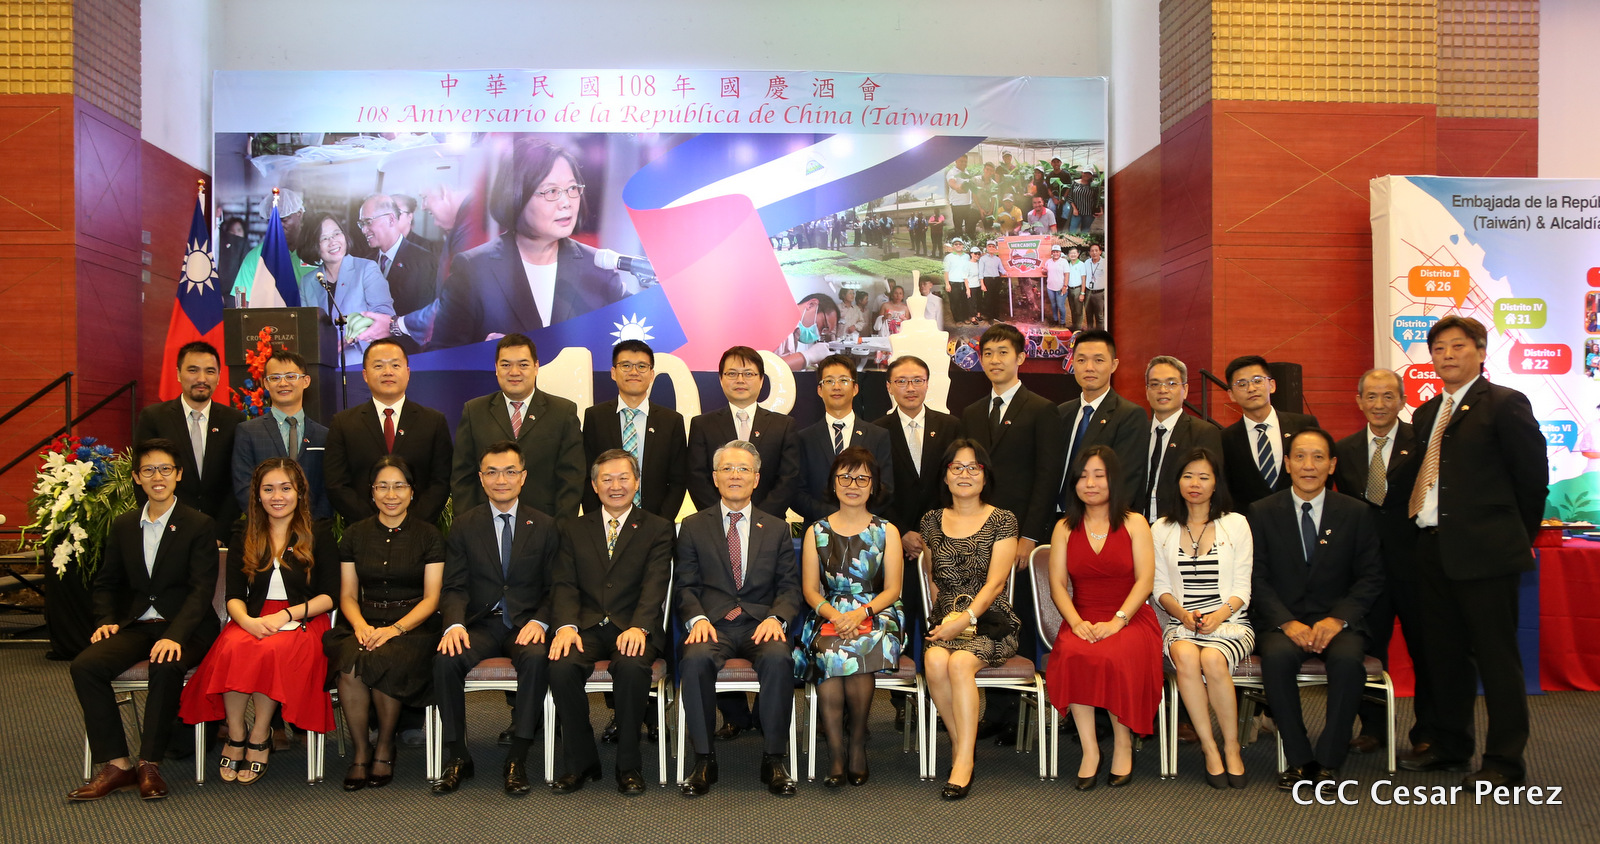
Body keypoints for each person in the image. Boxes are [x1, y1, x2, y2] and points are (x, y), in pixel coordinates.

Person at [1397, 316, 1547, 788]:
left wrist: (1512, 538)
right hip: (1432, 549)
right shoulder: (1426, 413)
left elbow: (1532, 481)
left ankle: (1504, 760)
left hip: (1487, 555)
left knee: (1497, 659)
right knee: (1444, 655)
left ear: (1481, 352)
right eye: (1438, 348)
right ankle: (1449, 746)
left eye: (1458, 346)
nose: (1447, 355)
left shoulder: (1504, 403)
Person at [68, 439, 220, 802]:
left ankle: (149, 763)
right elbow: (107, 582)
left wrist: (176, 635)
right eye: (149, 470)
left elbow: (201, 591)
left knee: (165, 665)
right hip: (138, 625)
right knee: (85, 666)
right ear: (137, 477)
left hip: (188, 628)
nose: (157, 477)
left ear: (178, 475)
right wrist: (106, 619)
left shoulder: (199, 524)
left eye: (165, 469)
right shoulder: (124, 525)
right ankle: (118, 765)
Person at [179, 459, 339, 784]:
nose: (277, 496)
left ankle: (260, 733)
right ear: (257, 494)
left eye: (285, 488)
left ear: (299, 492)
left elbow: (330, 596)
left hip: (305, 618)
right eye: (268, 489)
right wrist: (246, 622)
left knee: (271, 650)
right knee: (232, 647)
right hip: (253, 616)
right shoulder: (244, 532)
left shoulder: (319, 531)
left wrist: (286, 615)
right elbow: (234, 595)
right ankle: (237, 732)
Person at [1248, 428, 1384, 790]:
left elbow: (1371, 576)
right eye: (1300, 457)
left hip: (1338, 622)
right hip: (1283, 622)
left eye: (1318, 457)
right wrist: (1285, 622)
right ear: (1287, 464)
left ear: (1332, 465)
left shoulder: (1355, 512)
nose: (1309, 466)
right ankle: (1299, 759)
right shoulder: (1262, 512)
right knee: (1277, 659)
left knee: (1348, 661)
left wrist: (1338, 619)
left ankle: (1328, 760)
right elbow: (1255, 577)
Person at [431, 441, 560, 796]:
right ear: (481, 478)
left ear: (523, 477)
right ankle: (458, 756)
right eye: (492, 472)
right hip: (481, 623)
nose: (501, 480)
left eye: (509, 472)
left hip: (526, 624)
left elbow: (557, 587)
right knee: (445, 659)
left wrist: (541, 621)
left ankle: (517, 757)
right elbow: (454, 586)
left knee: (536, 659)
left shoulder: (545, 525)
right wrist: (454, 623)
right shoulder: (464, 525)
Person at [676, 441, 804, 798]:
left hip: (760, 624)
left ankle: (774, 758)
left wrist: (777, 618)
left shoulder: (777, 528)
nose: (735, 475)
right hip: (712, 625)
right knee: (694, 660)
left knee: (779, 659)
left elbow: (789, 587)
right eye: (727, 469)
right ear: (715, 478)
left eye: (743, 469)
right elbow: (685, 585)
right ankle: (704, 759)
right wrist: (697, 618)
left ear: (756, 479)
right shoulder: (692, 526)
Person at [547, 450, 674, 795]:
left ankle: (628, 765)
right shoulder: (573, 528)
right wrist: (566, 626)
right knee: (561, 665)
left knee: (632, 667)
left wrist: (640, 626)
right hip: (586, 627)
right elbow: (564, 583)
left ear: (637, 482)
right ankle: (581, 762)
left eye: (623, 478)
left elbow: (656, 584)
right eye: (607, 479)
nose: (615, 486)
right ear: (594, 485)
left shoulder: (657, 528)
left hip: (634, 626)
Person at [318, 455, 444, 790]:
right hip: (364, 621)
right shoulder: (354, 534)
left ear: (412, 492)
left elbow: (432, 598)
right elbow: (347, 594)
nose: (391, 494)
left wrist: (395, 629)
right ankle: (361, 750)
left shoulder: (429, 536)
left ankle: (386, 746)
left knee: (387, 658)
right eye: (382, 486)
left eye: (399, 486)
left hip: (413, 627)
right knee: (349, 666)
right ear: (371, 492)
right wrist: (360, 626)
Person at [432, 138, 629, 347]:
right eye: (552, 191)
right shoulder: (473, 269)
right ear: (516, 196)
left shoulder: (599, 268)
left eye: (572, 188)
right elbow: (442, 356)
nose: (566, 203)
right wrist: (484, 354)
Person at [1046, 445, 1162, 790]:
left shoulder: (1135, 523)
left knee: (1115, 656)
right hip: (1082, 616)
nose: (1090, 483)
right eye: (1083, 476)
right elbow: (1057, 585)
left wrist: (1118, 621)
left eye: (1099, 475)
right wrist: (1076, 622)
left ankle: (1123, 744)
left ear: (1114, 480)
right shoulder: (1064, 527)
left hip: (1130, 617)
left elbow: (1145, 581)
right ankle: (1090, 750)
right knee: (1074, 652)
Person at [1332, 369, 1429, 759]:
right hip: (1366, 569)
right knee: (1368, 650)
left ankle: (1428, 732)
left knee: (1427, 649)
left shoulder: (1422, 443)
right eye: (1371, 396)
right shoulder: (1345, 449)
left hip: (1416, 564)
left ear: (1402, 400)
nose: (1379, 404)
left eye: (1388, 396)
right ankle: (1373, 729)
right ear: (1359, 401)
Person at [795, 448, 905, 787]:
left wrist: (859, 614)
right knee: (829, 651)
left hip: (877, 609)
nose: (852, 485)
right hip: (828, 610)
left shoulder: (887, 531)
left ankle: (856, 743)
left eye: (861, 478)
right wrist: (836, 616)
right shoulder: (816, 531)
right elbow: (810, 590)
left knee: (860, 646)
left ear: (873, 485)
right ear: (833, 483)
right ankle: (836, 752)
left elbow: (893, 589)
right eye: (845, 477)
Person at [920, 439, 1021, 799]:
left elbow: (996, 584)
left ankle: (963, 761)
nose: (965, 474)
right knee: (935, 661)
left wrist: (964, 619)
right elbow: (934, 576)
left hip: (991, 619)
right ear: (945, 476)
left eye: (973, 467)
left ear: (985, 475)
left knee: (961, 663)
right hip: (946, 619)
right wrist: (945, 618)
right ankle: (962, 744)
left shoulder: (1003, 519)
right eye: (957, 467)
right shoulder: (931, 521)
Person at [1151, 447, 1252, 788]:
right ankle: (1210, 748)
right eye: (1188, 476)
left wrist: (1219, 615)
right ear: (1178, 482)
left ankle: (1231, 746)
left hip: (1230, 622)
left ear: (1216, 483)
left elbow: (1243, 587)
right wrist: (1183, 614)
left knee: (1211, 658)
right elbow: (1160, 588)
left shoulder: (1235, 524)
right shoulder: (1161, 528)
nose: (1195, 484)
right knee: (1185, 655)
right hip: (1182, 623)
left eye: (1203, 477)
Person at [451, 333, 583, 519]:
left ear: (536, 367)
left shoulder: (562, 412)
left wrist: (560, 529)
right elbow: (462, 477)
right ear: (496, 368)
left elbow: (571, 478)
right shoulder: (474, 411)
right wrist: (469, 526)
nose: (514, 372)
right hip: (486, 524)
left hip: (546, 524)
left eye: (523, 365)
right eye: (506, 365)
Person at [324, 338, 454, 525]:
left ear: (407, 372)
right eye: (378, 366)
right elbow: (336, 484)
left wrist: (411, 523)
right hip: (363, 531)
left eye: (395, 365)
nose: (388, 372)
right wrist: (374, 524)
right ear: (365, 374)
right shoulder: (343, 423)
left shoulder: (433, 421)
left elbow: (441, 482)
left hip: (419, 530)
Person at [874, 356, 963, 623]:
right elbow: (875, 490)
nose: (910, 388)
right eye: (901, 381)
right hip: (895, 541)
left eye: (917, 381)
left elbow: (958, 482)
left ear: (927, 384)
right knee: (899, 618)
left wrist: (933, 534)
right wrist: (901, 532)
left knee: (940, 620)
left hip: (944, 540)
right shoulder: (876, 431)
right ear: (889, 386)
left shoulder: (951, 426)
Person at [135, 341, 246, 529]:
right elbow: (143, 476)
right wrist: (161, 525)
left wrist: (220, 532)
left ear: (219, 376)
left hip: (219, 531)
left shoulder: (234, 420)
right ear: (178, 374)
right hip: (169, 528)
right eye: (193, 370)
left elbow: (238, 480)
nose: (202, 379)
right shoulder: (154, 418)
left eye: (210, 371)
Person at [687, 345, 802, 517]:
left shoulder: (783, 426)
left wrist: (758, 519)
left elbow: (788, 479)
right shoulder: (702, 425)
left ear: (761, 380)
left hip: (769, 524)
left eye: (748, 374)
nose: (740, 380)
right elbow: (697, 479)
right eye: (732, 374)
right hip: (716, 523)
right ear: (721, 379)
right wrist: (724, 517)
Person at [582, 339, 688, 520]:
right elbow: (586, 476)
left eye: (641, 366)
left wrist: (661, 524)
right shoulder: (595, 417)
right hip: (605, 523)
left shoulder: (671, 421)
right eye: (626, 365)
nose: (633, 372)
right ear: (613, 373)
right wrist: (597, 521)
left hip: (657, 523)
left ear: (652, 374)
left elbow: (678, 481)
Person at [231, 350, 331, 521]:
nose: (283, 383)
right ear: (266, 383)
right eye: (275, 378)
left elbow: (328, 488)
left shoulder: (324, 435)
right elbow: (243, 486)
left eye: (291, 376)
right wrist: (270, 525)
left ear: (306, 381)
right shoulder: (248, 432)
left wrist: (315, 524)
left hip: (313, 528)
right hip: (264, 528)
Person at [795, 355, 894, 523]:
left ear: (855, 388)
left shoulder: (878, 436)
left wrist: (857, 517)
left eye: (843, 380)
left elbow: (886, 488)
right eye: (829, 381)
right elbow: (797, 492)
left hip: (866, 529)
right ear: (819, 390)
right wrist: (835, 518)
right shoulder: (803, 438)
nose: (836, 387)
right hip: (819, 528)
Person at [1058, 329, 1148, 504]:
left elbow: (1125, 480)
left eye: (1098, 360)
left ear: (1114, 365)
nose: (1089, 367)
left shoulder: (1130, 416)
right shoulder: (1061, 413)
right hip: (1055, 515)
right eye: (1081, 360)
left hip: (1098, 515)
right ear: (1073, 363)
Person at [1221, 354, 1320, 511]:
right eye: (1242, 384)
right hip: (1249, 521)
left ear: (1272, 385)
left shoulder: (1304, 425)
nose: (1251, 388)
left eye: (1257, 381)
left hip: (1301, 516)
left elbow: (1322, 471)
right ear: (1231, 394)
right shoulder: (1225, 439)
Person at [295, 211, 395, 366]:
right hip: (322, 365)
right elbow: (306, 328)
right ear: (313, 245)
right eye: (324, 238)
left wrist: (350, 338)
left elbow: (384, 315)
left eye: (336, 234)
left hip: (362, 363)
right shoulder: (308, 281)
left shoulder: (366, 269)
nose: (333, 242)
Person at [1144, 355, 1224, 523]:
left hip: (1180, 525)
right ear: (1147, 391)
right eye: (1155, 384)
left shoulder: (1204, 432)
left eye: (1171, 383)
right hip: (1138, 525)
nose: (1163, 390)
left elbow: (1213, 485)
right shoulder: (1137, 430)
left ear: (1185, 390)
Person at [357, 194, 438, 354]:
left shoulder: (424, 261)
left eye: (368, 222)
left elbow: (429, 319)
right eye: (361, 224)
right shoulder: (365, 263)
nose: (364, 230)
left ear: (391, 219)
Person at [777, 292, 839, 370]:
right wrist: (807, 356)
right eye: (823, 326)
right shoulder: (779, 321)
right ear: (811, 305)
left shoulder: (793, 333)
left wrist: (805, 363)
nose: (819, 334)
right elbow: (768, 367)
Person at [945, 153, 976, 242]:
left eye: (965, 162)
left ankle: (969, 243)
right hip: (957, 205)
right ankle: (959, 245)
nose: (963, 163)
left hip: (968, 204)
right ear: (956, 161)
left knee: (969, 227)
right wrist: (958, 188)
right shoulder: (952, 172)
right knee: (958, 228)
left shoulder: (966, 172)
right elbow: (952, 183)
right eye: (961, 161)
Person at [942, 238, 971, 324]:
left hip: (965, 282)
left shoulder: (967, 256)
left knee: (965, 301)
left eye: (960, 244)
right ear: (953, 246)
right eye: (956, 244)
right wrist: (947, 284)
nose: (958, 246)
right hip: (953, 282)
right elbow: (946, 271)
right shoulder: (948, 257)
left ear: (962, 246)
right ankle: (958, 319)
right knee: (955, 302)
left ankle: (965, 317)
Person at [979, 241, 1007, 323]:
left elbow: (1001, 269)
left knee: (996, 298)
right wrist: (982, 284)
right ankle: (990, 317)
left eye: (993, 246)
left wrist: (1008, 273)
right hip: (988, 280)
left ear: (995, 248)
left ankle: (996, 316)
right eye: (989, 246)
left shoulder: (997, 259)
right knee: (988, 299)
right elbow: (980, 272)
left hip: (996, 280)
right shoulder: (983, 259)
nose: (991, 248)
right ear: (987, 248)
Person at [1067, 167, 1101, 234]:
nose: (1087, 175)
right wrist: (1074, 209)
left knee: (1084, 232)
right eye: (1085, 173)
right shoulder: (1075, 183)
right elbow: (1070, 197)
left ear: (1091, 175)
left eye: (1089, 174)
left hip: (1089, 213)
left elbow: (1098, 198)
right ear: (1082, 173)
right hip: (1077, 212)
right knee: (1072, 231)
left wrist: (1101, 210)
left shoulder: (1094, 185)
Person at [1083, 244, 1108, 331]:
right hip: (1088, 292)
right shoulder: (1087, 262)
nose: (1094, 253)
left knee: (1099, 316)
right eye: (1092, 251)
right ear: (1089, 252)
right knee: (1088, 315)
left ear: (1100, 252)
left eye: (1096, 250)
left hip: (1099, 294)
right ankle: (1090, 333)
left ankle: (1099, 334)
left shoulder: (1105, 263)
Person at [1043, 245, 1069, 326]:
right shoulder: (1048, 261)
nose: (1055, 254)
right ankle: (1055, 320)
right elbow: (1045, 272)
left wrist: (1065, 286)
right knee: (1053, 305)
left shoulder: (1064, 262)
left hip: (1060, 288)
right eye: (1054, 252)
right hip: (1050, 287)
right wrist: (1044, 271)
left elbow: (1067, 274)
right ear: (1052, 253)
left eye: (1057, 252)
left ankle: (1062, 322)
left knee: (1060, 305)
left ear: (1060, 252)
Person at [1065, 246, 1088, 331]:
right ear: (1068, 255)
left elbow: (1083, 279)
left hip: (1078, 289)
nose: (1073, 255)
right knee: (1073, 309)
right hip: (1070, 290)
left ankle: (1078, 328)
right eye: (1071, 253)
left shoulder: (1081, 264)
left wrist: (1082, 293)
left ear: (1078, 254)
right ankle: (1074, 326)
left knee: (1079, 310)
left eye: (1074, 253)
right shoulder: (1068, 264)